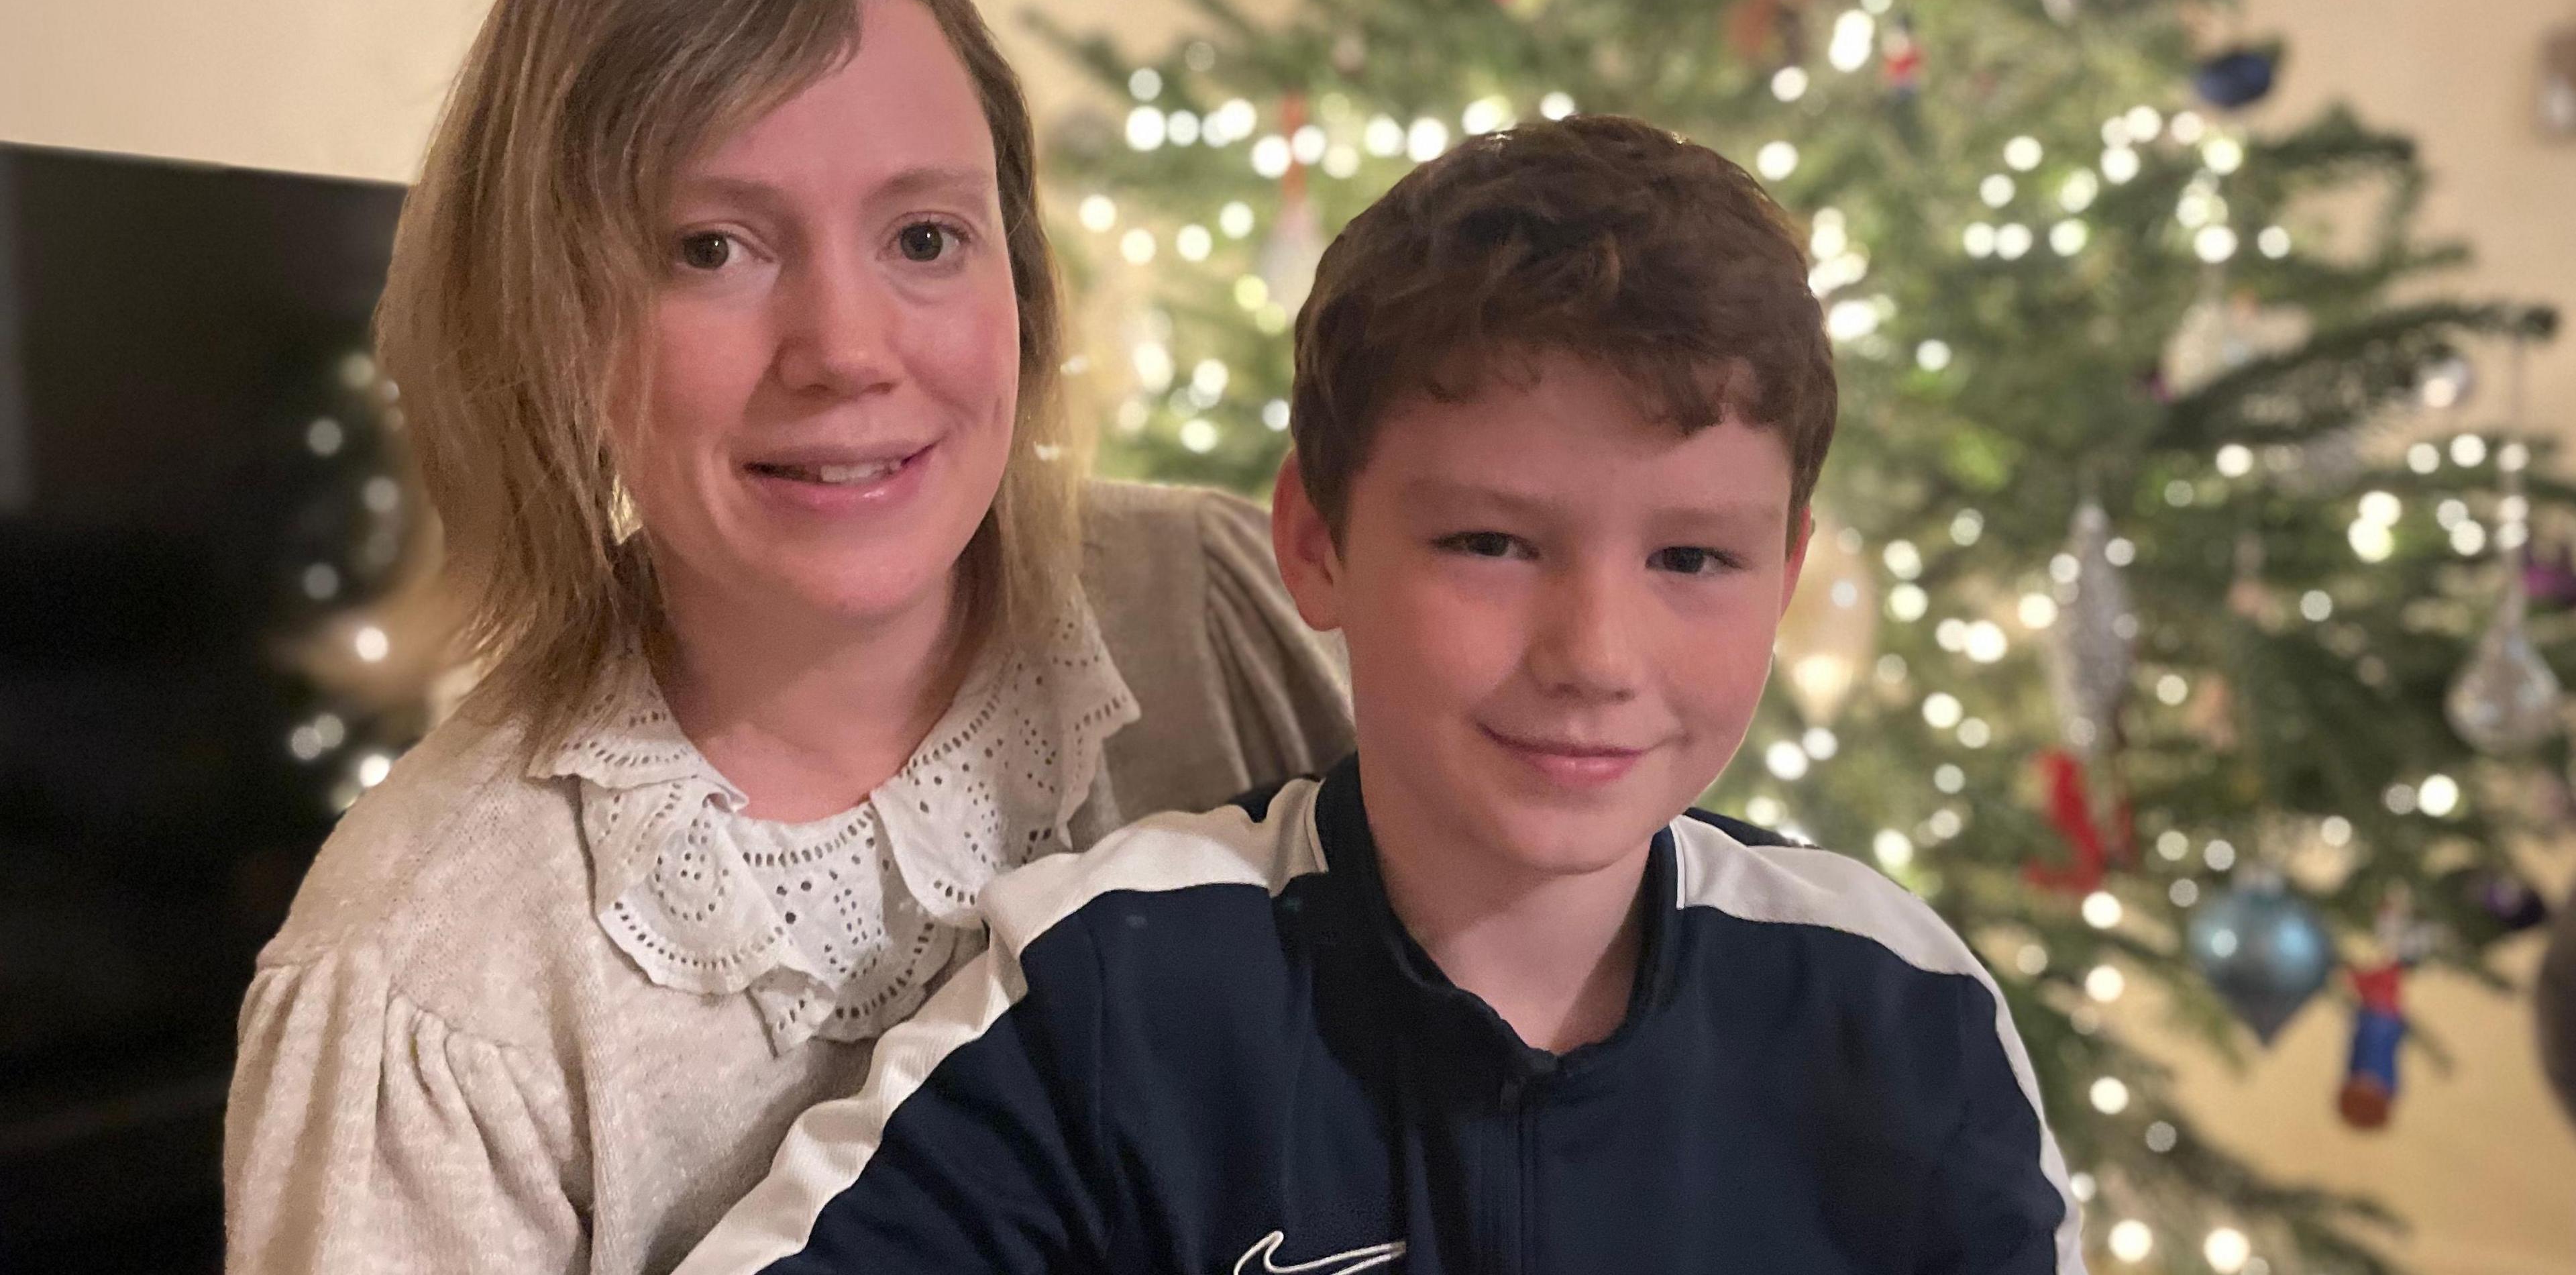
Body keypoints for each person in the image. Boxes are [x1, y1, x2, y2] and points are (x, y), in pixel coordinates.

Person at [676, 116, 2082, 1274]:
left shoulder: (1900, 1013)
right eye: (1489, 544)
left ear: (1787, 573)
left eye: (1693, 557)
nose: (1593, 653)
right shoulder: (1111, 998)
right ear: (1316, 543)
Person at [221, 0, 1351, 1275]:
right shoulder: (427, 983)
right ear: (547, 315)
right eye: (713, 249)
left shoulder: (1226, 607)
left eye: (925, 237)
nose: (847, 351)